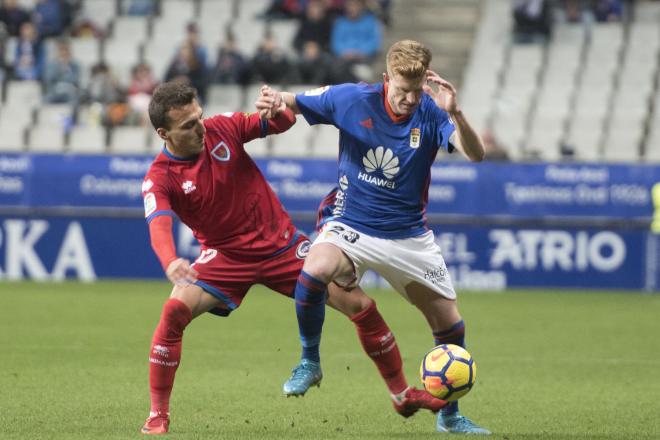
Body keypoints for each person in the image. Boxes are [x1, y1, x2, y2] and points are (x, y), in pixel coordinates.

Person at [139, 81, 444, 434]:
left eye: (199, 117)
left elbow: (280, 123)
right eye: (188, 125)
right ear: (164, 133)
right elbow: (158, 223)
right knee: (174, 311)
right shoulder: (159, 177)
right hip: (226, 257)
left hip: (282, 247)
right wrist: (170, 261)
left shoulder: (222, 127)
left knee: (361, 306)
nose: (200, 128)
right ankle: (157, 414)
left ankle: (401, 394)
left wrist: (276, 109)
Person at [268, 39, 491, 434]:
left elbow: (476, 154)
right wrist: (273, 98)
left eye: (417, 90)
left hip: (408, 236)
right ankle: (309, 361)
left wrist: (456, 113)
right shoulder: (351, 99)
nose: (409, 99)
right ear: (386, 78)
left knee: (451, 326)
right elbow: (294, 100)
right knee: (314, 268)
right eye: (402, 90)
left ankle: (450, 415)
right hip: (351, 223)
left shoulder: (433, 113)